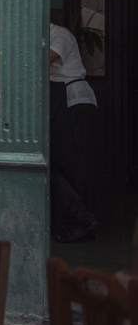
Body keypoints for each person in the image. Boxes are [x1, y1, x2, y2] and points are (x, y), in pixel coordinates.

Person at [49, 22, 99, 243]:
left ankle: (82, 222)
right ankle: (80, 218)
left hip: (74, 101)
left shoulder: (60, 34)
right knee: (59, 162)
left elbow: (46, 58)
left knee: (74, 165)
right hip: (61, 101)